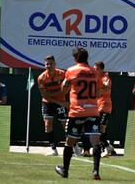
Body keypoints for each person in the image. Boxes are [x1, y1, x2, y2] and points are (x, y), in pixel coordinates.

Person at [55, 48, 102, 180]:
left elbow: (64, 90)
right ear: (87, 57)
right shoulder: (94, 71)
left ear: (75, 58)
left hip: (77, 111)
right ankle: (96, 171)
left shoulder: (71, 71)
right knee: (95, 142)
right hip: (93, 110)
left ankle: (65, 170)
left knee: (69, 142)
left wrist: (65, 85)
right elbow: (98, 92)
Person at [37, 56, 69, 156]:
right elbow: (45, 95)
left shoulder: (62, 74)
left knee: (65, 126)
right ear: (44, 65)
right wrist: (59, 99)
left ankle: (74, 146)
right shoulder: (41, 78)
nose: (49, 66)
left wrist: (62, 96)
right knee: (47, 125)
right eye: (47, 64)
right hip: (48, 103)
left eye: (51, 63)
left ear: (55, 64)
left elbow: (68, 88)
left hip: (61, 101)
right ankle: (53, 149)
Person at [94, 61, 115, 157]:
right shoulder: (95, 78)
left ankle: (105, 149)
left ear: (101, 69)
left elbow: (106, 88)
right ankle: (108, 147)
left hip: (105, 107)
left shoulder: (106, 78)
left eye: (96, 68)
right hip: (97, 107)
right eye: (94, 68)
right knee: (100, 129)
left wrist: (100, 90)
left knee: (100, 128)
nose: (95, 70)